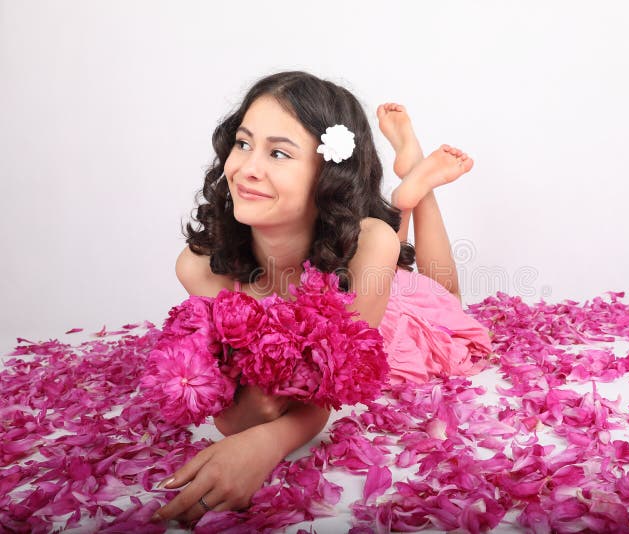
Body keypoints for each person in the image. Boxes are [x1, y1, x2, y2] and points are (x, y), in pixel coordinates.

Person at [151, 71, 492, 525]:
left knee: (445, 297)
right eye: (243, 143)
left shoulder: (370, 242)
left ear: (327, 175)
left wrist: (267, 443)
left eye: (278, 153)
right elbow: (248, 392)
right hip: (359, 285)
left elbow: (327, 387)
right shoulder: (197, 266)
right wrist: (238, 422)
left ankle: (412, 188)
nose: (247, 168)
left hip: (371, 319)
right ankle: (404, 198)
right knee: (394, 257)